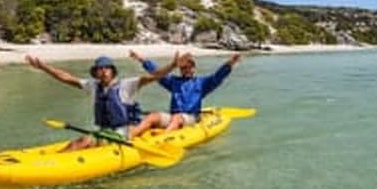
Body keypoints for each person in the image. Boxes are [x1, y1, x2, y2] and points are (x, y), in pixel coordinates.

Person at [25, 53, 179, 151]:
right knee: (76, 144)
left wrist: (172, 66)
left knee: (82, 142)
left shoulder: (127, 85)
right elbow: (66, 77)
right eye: (100, 68)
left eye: (107, 68)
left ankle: (55, 166)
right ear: (96, 72)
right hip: (104, 131)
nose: (104, 70)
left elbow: (154, 76)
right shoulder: (92, 86)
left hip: (122, 133)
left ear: (112, 71)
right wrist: (44, 67)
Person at [128, 50, 241, 135]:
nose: (186, 69)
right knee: (153, 116)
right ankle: (131, 135)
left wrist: (230, 63)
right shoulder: (173, 81)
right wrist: (140, 59)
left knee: (177, 117)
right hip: (174, 118)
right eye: (183, 68)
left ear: (193, 68)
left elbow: (218, 76)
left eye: (189, 67)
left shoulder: (202, 83)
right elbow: (156, 72)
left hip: (191, 118)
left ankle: (163, 137)